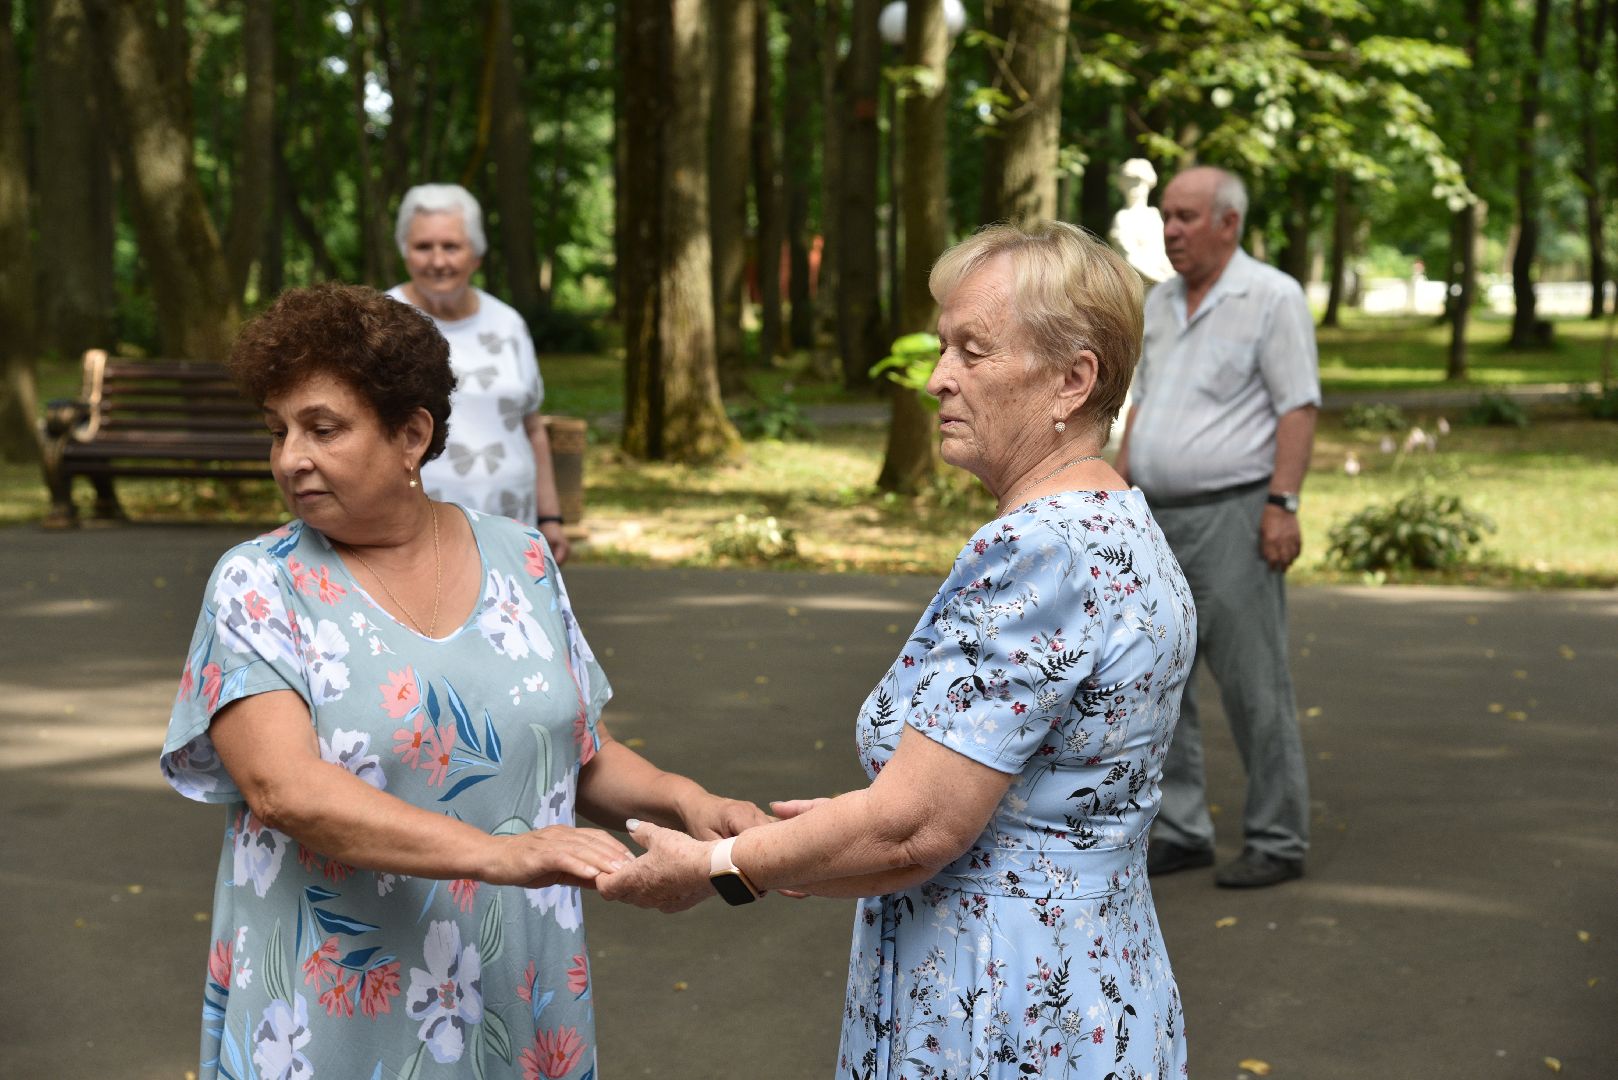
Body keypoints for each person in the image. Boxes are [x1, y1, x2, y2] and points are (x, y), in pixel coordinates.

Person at [599, 222, 1197, 1078]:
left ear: (1074, 378)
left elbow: (921, 825)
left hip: (1004, 999)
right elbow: (1009, 799)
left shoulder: (1042, 551)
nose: (936, 378)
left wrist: (720, 865)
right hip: (1099, 978)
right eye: (943, 346)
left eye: (971, 351)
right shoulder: (1120, 522)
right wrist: (828, 844)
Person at [160, 283, 767, 1079]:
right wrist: (495, 854)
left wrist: (687, 799)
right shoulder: (258, 584)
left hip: (514, 987)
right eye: (278, 431)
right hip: (333, 1009)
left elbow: (575, 750)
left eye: (322, 428)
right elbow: (286, 791)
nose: (289, 458)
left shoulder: (522, 558)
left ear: (411, 434)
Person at [1113, 165, 1321, 889]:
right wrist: (1122, 491)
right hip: (1154, 518)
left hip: (1235, 514)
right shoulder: (1161, 303)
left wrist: (1281, 505)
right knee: (1156, 681)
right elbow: (1141, 402)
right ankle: (1181, 827)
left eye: (1186, 217)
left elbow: (1298, 406)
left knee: (1253, 685)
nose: (1170, 230)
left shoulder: (1271, 296)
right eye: (1167, 216)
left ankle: (1277, 836)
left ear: (1228, 223)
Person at [388, 183, 571, 562]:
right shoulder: (382, 321)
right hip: (416, 531)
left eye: (451, 246)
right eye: (424, 247)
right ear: (405, 251)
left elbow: (532, 428)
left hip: (513, 525)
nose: (438, 261)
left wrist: (550, 517)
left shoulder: (507, 323)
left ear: (476, 254)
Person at [1109, 158, 1175, 284]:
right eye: (1129, 182)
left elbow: (1162, 254)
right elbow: (1129, 258)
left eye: (1138, 182)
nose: (1134, 188)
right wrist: (1162, 280)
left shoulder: (1153, 215)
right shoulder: (1123, 218)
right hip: (1139, 286)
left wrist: (1174, 276)